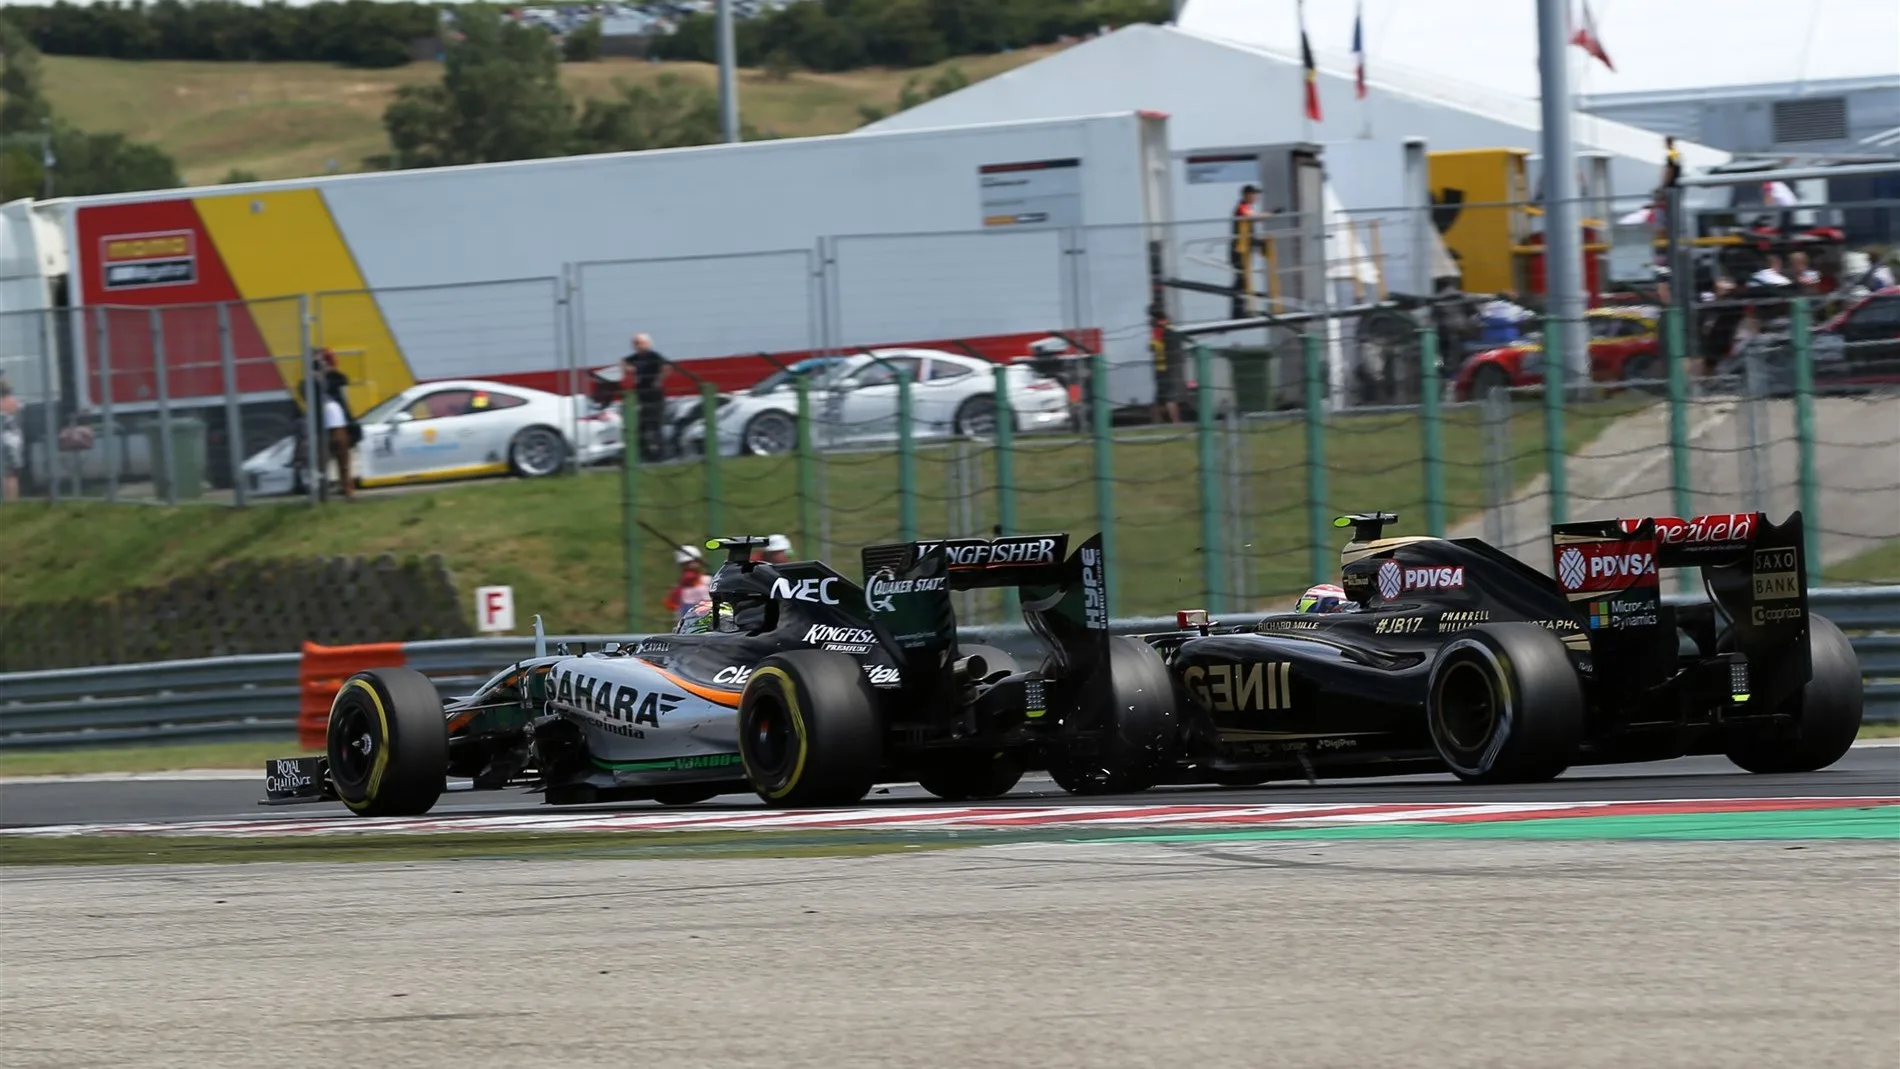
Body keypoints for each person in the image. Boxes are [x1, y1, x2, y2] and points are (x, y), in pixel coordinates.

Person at [312, 349, 358, 501]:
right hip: (322, 425)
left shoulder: (337, 378)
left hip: (339, 422)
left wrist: (327, 373)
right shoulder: (310, 382)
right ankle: (322, 490)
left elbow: (341, 383)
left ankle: (347, 487)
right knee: (322, 460)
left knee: (343, 458)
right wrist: (316, 376)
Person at [623, 333, 668, 463]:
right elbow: (623, 362)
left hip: (654, 394)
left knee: (656, 425)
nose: (638, 346)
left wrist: (658, 380)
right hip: (640, 395)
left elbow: (666, 367)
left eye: (641, 343)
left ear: (648, 344)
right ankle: (645, 454)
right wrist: (627, 369)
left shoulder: (654, 356)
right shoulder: (634, 358)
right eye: (636, 343)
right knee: (641, 426)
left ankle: (659, 454)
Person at [1229, 184, 1262, 319]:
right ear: (1247, 195)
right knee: (1242, 281)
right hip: (1240, 251)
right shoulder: (1242, 207)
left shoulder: (1246, 208)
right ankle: (1239, 313)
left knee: (1243, 281)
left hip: (1245, 250)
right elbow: (1252, 217)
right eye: (1253, 194)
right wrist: (1271, 213)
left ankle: (1241, 311)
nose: (1256, 197)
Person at [1150, 308, 1184, 425]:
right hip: (1169, 366)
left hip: (1161, 366)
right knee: (1170, 398)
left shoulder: (1157, 330)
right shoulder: (1169, 328)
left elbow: (1153, 347)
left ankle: (1156, 423)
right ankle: (1176, 422)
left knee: (1160, 397)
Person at [663, 544, 711, 620]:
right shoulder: (680, 588)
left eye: (692, 562)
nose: (691, 565)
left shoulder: (709, 581)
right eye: (686, 563)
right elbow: (671, 604)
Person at [0, 376, 21, 502]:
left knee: (7, 474)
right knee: (12, 473)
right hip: (15, 441)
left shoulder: (3, 403)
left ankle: (9, 500)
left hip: (5, 441)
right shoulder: (16, 403)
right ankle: (12, 501)